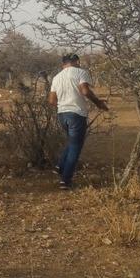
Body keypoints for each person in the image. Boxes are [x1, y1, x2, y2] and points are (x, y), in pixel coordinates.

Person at [48, 53, 109, 190]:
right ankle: (65, 180)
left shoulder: (57, 77)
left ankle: (60, 166)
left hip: (62, 114)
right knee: (76, 147)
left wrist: (64, 103)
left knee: (72, 142)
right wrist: (99, 103)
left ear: (63, 64)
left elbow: (51, 101)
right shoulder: (80, 72)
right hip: (76, 114)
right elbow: (85, 91)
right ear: (76, 62)